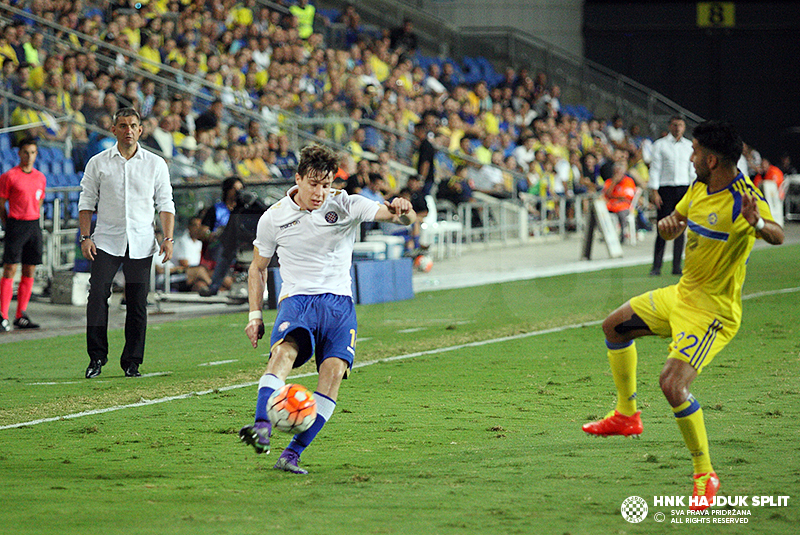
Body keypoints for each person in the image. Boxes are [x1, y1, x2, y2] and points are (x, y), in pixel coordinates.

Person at [582, 120, 784, 510]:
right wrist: (669, 226)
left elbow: (776, 234)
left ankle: (705, 475)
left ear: (711, 159)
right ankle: (626, 415)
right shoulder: (698, 186)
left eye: (693, 153)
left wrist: (756, 222)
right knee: (615, 326)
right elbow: (676, 225)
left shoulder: (744, 195)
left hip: (712, 312)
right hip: (682, 295)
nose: (689, 157)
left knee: (673, 385)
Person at [238, 144, 415, 474]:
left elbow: (400, 217)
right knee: (283, 355)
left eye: (326, 184)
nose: (320, 193)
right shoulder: (274, 217)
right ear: (298, 179)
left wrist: (403, 208)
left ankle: (291, 454)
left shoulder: (345, 204)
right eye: (314, 184)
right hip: (298, 300)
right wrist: (255, 315)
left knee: (332, 375)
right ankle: (262, 425)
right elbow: (257, 268)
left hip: (339, 305)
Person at [79, 108, 175, 379]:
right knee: (97, 295)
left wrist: (167, 239)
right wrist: (85, 237)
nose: (128, 130)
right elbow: (86, 202)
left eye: (133, 125)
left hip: (142, 241)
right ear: (114, 129)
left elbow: (165, 203)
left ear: (141, 130)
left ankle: (132, 361)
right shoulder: (98, 162)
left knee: (137, 303)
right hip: (106, 241)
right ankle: (96, 358)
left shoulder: (155, 163)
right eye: (123, 125)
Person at [0, 138, 46, 331]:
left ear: (36, 154)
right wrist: (8, 224)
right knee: (10, 269)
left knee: (30, 269)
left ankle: (21, 315)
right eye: (26, 152)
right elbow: (1, 204)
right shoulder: (9, 176)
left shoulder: (40, 177)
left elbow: (40, 201)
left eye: (32, 152)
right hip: (16, 224)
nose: (29, 156)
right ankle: (2, 315)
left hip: (33, 225)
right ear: (19, 153)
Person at [649, 116, 696, 276]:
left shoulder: (689, 146)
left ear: (684, 127)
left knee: (680, 228)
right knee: (662, 227)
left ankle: (677, 266)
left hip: (683, 188)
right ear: (670, 126)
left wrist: (693, 191)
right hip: (666, 188)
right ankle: (657, 266)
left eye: (681, 125)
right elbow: (655, 169)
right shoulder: (660, 145)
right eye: (675, 125)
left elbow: (692, 171)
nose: (677, 128)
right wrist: (654, 191)